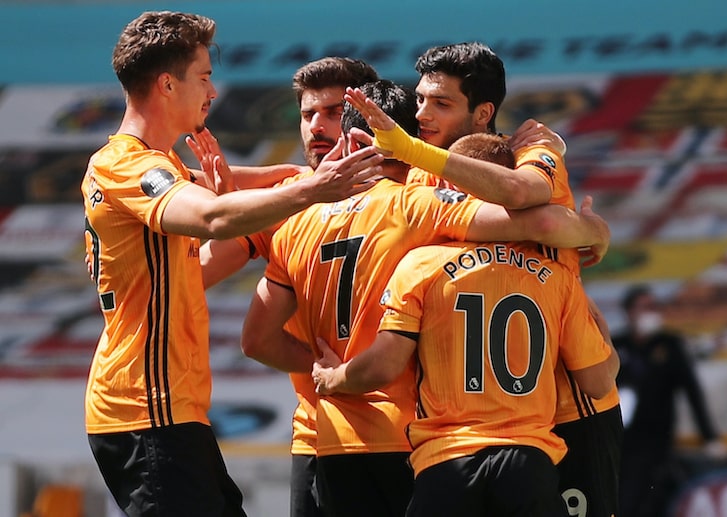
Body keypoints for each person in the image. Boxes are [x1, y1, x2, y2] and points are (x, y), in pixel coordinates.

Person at [241, 78, 610, 517]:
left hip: (332, 438)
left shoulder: (296, 223)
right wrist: (593, 230)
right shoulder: (419, 206)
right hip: (414, 439)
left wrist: (328, 370)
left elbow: (257, 341)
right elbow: (535, 223)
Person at [80, 12, 383, 516]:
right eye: (203, 76)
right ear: (167, 83)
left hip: (166, 410)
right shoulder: (130, 166)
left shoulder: (160, 165)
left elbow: (244, 188)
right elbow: (214, 216)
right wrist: (315, 188)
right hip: (145, 407)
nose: (213, 91)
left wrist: (303, 177)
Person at [346, 42, 624, 515]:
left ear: (483, 113)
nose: (423, 114)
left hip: (569, 408)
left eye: (441, 103)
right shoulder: (418, 176)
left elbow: (528, 197)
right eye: (420, 100)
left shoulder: (529, 151)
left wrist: (592, 227)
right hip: (474, 427)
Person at [310, 237, 619, 517]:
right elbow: (598, 383)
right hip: (527, 463)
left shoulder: (421, 263)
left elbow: (383, 366)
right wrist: (607, 343)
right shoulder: (557, 276)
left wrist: (333, 378)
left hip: (447, 463)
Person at [197, 56, 379, 517]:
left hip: (403, 434)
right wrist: (324, 370)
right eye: (307, 114)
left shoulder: (415, 194)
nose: (317, 126)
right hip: (319, 434)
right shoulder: (290, 199)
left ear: (366, 114)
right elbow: (196, 275)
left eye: (334, 112)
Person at [613, 284, 724, 517]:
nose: (651, 312)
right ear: (629, 311)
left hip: (656, 441)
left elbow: (692, 392)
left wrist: (710, 437)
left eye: (654, 307)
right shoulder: (617, 345)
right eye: (645, 307)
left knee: (648, 499)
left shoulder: (670, 346)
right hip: (619, 441)